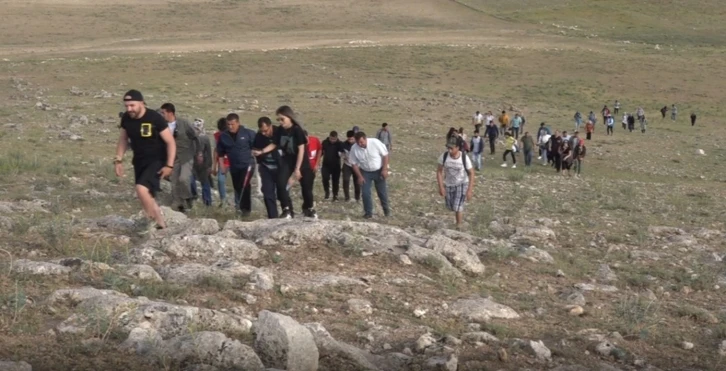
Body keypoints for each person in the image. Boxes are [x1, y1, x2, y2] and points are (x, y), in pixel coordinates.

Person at [114, 90, 176, 231]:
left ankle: (150, 223)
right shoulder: (126, 119)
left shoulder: (155, 118)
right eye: (126, 106)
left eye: (132, 105)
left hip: (157, 159)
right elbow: (123, 139)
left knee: (141, 189)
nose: (129, 109)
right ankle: (162, 226)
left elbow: (171, 142)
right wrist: (118, 160)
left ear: (142, 103)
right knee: (148, 195)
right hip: (139, 160)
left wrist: (169, 165)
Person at [254, 106, 316, 218]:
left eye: (282, 119)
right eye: (278, 120)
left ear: (289, 117)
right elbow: (274, 144)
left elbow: (301, 150)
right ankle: (286, 209)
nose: (280, 122)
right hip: (288, 160)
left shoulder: (297, 130)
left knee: (306, 187)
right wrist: (262, 151)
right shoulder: (281, 130)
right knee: (281, 182)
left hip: (301, 161)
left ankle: (310, 209)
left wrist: (297, 169)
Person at [160, 103, 200, 213]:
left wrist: (199, 152)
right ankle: (178, 203)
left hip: (186, 155)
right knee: (174, 180)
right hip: (173, 157)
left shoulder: (184, 123)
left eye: (163, 113)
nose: (161, 115)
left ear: (170, 113)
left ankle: (188, 198)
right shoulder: (162, 125)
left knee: (184, 178)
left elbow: (195, 137)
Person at [214, 113, 257, 217]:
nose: (230, 126)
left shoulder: (248, 133)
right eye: (228, 124)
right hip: (234, 166)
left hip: (247, 165)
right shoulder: (223, 136)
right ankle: (240, 208)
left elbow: (256, 146)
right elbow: (220, 153)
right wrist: (222, 166)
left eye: (232, 124)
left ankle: (246, 211)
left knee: (244, 185)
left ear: (238, 123)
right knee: (237, 187)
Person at [349, 131, 390, 219]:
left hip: (379, 170)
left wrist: (384, 169)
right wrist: (359, 176)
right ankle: (368, 213)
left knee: (382, 192)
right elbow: (354, 163)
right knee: (365, 193)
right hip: (365, 172)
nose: (360, 144)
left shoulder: (375, 142)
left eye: (362, 142)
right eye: (358, 142)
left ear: (365, 138)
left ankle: (387, 211)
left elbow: (385, 155)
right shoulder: (354, 148)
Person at [437, 137, 475, 227]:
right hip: (449, 184)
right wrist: (441, 187)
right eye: (448, 148)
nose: (449, 150)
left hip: (461, 184)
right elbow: (439, 171)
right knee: (450, 207)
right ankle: (458, 221)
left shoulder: (464, 158)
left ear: (457, 147)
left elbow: (471, 173)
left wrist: (469, 190)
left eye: (452, 148)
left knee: (457, 206)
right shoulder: (444, 156)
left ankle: (459, 225)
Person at [253, 117, 285, 219]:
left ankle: (288, 215)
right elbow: (255, 148)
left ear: (270, 126)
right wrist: (256, 155)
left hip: (281, 168)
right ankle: (273, 218)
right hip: (266, 168)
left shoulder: (280, 133)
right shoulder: (259, 136)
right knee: (267, 194)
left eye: (265, 131)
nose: (263, 133)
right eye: (261, 131)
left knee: (283, 193)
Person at [191, 118, 213, 207]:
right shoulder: (190, 138)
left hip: (203, 164)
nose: (196, 130)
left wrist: (209, 166)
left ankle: (207, 202)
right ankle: (193, 196)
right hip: (192, 163)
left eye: (198, 128)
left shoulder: (205, 138)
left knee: (205, 183)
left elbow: (208, 152)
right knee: (191, 181)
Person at [321, 131, 345, 201]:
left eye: (334, 139)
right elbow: (321, 152)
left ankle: (335, 195)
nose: (332, 141)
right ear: (329, 137)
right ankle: (327, 192)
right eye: (331, 139)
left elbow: (343, 153)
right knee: (325, 179)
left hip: (336, 166)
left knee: (335, 181)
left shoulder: (340, 144)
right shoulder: (324, 142)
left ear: (337, 138)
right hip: (326, 165)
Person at [213, 118, 230, 207]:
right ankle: (223, 200)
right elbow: (216, 151)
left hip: (233, 161)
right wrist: (214, 166)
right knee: (220, 180)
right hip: (222, 161)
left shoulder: (233, 134)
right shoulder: (217, 136)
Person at [341, 130, 361, 203]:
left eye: (352, 139)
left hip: (357, 165)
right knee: (345, 180)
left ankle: (357, 198)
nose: (350, 140)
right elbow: (340, 152)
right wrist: (343, 156)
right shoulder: (343, 144)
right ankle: (347, 197)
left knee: (357, 182)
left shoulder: (358, 144)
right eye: (349, 139)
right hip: (347, 165)